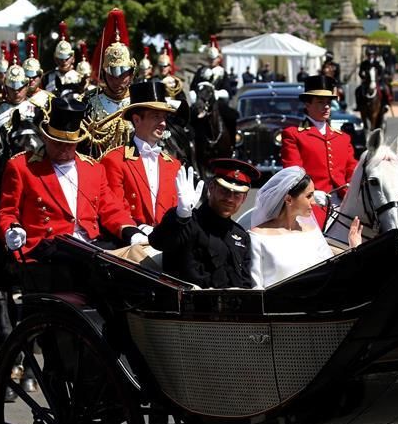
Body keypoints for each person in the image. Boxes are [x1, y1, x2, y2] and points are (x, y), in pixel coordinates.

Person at [0, 95, 144, 262]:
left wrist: (131, 231)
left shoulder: (93, 168)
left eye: (70, 144)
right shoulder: (22, 166)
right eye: (57, 143)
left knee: (133, 259)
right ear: (45, 137)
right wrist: (11, 230)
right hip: (47, 250)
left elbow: (110, 208)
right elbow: (7, 212)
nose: (64, 149)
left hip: (92, 245)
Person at [149, 158, 257, 289]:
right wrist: (181, 215)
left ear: (244, 198)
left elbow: (245, 283)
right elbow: (158, 242)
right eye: (224, 191)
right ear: (211, 187)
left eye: (237, 195)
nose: (229, 199)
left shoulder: (240, 235)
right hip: (191, 306)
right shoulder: (188, 221)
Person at [248, 166, 361, 289]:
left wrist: (353, 249)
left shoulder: (312, 233)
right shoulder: (258, 238)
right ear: (289, 199)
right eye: (309, 196)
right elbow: (256, 289)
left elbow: (331, 273)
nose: (313, 202)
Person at [101, 80, 181, 231]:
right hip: (131, 241)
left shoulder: (174, 165)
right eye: (156, 116)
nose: (163, 123)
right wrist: (138, 229)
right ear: (137, 120)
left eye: (164, 117)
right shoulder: (114, 160)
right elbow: (115, 209)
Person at [280, 75, 358, 227]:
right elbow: (293, 173)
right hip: (311, 204)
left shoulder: (343, 138)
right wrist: (311, 194)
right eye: (320, 102)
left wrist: (352, 193)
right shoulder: (294, 134)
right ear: (307, 105)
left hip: (344, 203)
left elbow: (352, 170)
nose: (327, 106)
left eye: (328, 102)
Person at [86, 8, 135, 158]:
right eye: (112, 75)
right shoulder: (90, 102)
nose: (117, 81)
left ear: (131, 74)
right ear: (104, 75)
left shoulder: (140, 102)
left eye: (123, 76)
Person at [41, 22, 76, 97]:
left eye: (67, 58)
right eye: (60, 58)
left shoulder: (80, 77)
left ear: (73, 58)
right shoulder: (46, 78)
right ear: (55, 59)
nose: (64, 61)